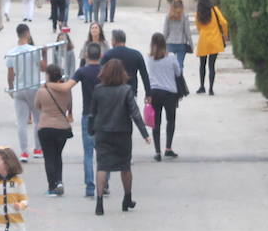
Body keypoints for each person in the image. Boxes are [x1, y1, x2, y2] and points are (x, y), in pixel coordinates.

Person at [85, 59, 150, 216]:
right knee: (125, 166)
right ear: (122, 73)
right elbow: (134, 113)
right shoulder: (126, 90)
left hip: (102, 132)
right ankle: (127, 198)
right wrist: (145, 134)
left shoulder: (98, 90)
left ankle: (99, 203)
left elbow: (92, 113)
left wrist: (90, 130)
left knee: (102, 166)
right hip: (122, 133)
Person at [34, 64, 77, 196]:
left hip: (45, 127)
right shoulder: (66, 91)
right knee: (58, 155)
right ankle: (59, 181)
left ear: (48, 76)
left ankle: (52, 187)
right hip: (62, 128)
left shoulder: (42, 91)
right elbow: (69, 105)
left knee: (49, 157)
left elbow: (37, 106)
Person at [5, 23, 45, 162]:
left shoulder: (11, 52)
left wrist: (11, 88)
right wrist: (43, 55)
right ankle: (38, 149)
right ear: (27, 33)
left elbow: (10, 74)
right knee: (38, 119)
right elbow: (42, 68)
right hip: (34, 87)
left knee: (21, 122)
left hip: (19, 88)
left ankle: (24, 152)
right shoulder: (34, 50)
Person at [145, 33, 184, 162]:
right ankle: (168, 148)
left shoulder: (149, 58)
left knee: (156, 122)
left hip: (155, 92)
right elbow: (178, 72)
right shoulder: (171, 57)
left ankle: (157, 152)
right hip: (170, 92)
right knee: (170, 120)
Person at [72, 43, 104, 198]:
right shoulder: (105, 72)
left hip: (88, 114)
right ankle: (104, 184)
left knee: (88, 152)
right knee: (103, 151)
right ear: (100, 56)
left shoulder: (82, 71)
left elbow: (67, 87)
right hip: (104, 114)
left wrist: (50, 85)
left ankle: (90, 187)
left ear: (86, 56)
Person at [102, 29, 152, 99]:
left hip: (112, 94)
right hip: (131, 93)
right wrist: (148, 94)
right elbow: (144, 75)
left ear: (114, 41)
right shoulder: (136, 54)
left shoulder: (108, 55)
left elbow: (101, 74)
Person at [195, 0, 230, 95]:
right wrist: (225, 33)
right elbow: (224, 22)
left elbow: (198, 26)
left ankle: (202, 86)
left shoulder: (199, 13)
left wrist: (202, 31)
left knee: (202, 65)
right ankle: (211, 89)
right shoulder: (214, 10)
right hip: (215, 41)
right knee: (212, 65)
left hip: (203, 41)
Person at [163, 0, 193, 71]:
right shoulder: (185, 16)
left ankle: (171, 81)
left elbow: (165, 32)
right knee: (180, 64)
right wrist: (191, 44)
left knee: (169, 65)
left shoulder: (168, 16)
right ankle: (180, 81)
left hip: (170, 43)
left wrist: (163, 44)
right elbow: (187, 32)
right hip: (181, 43)